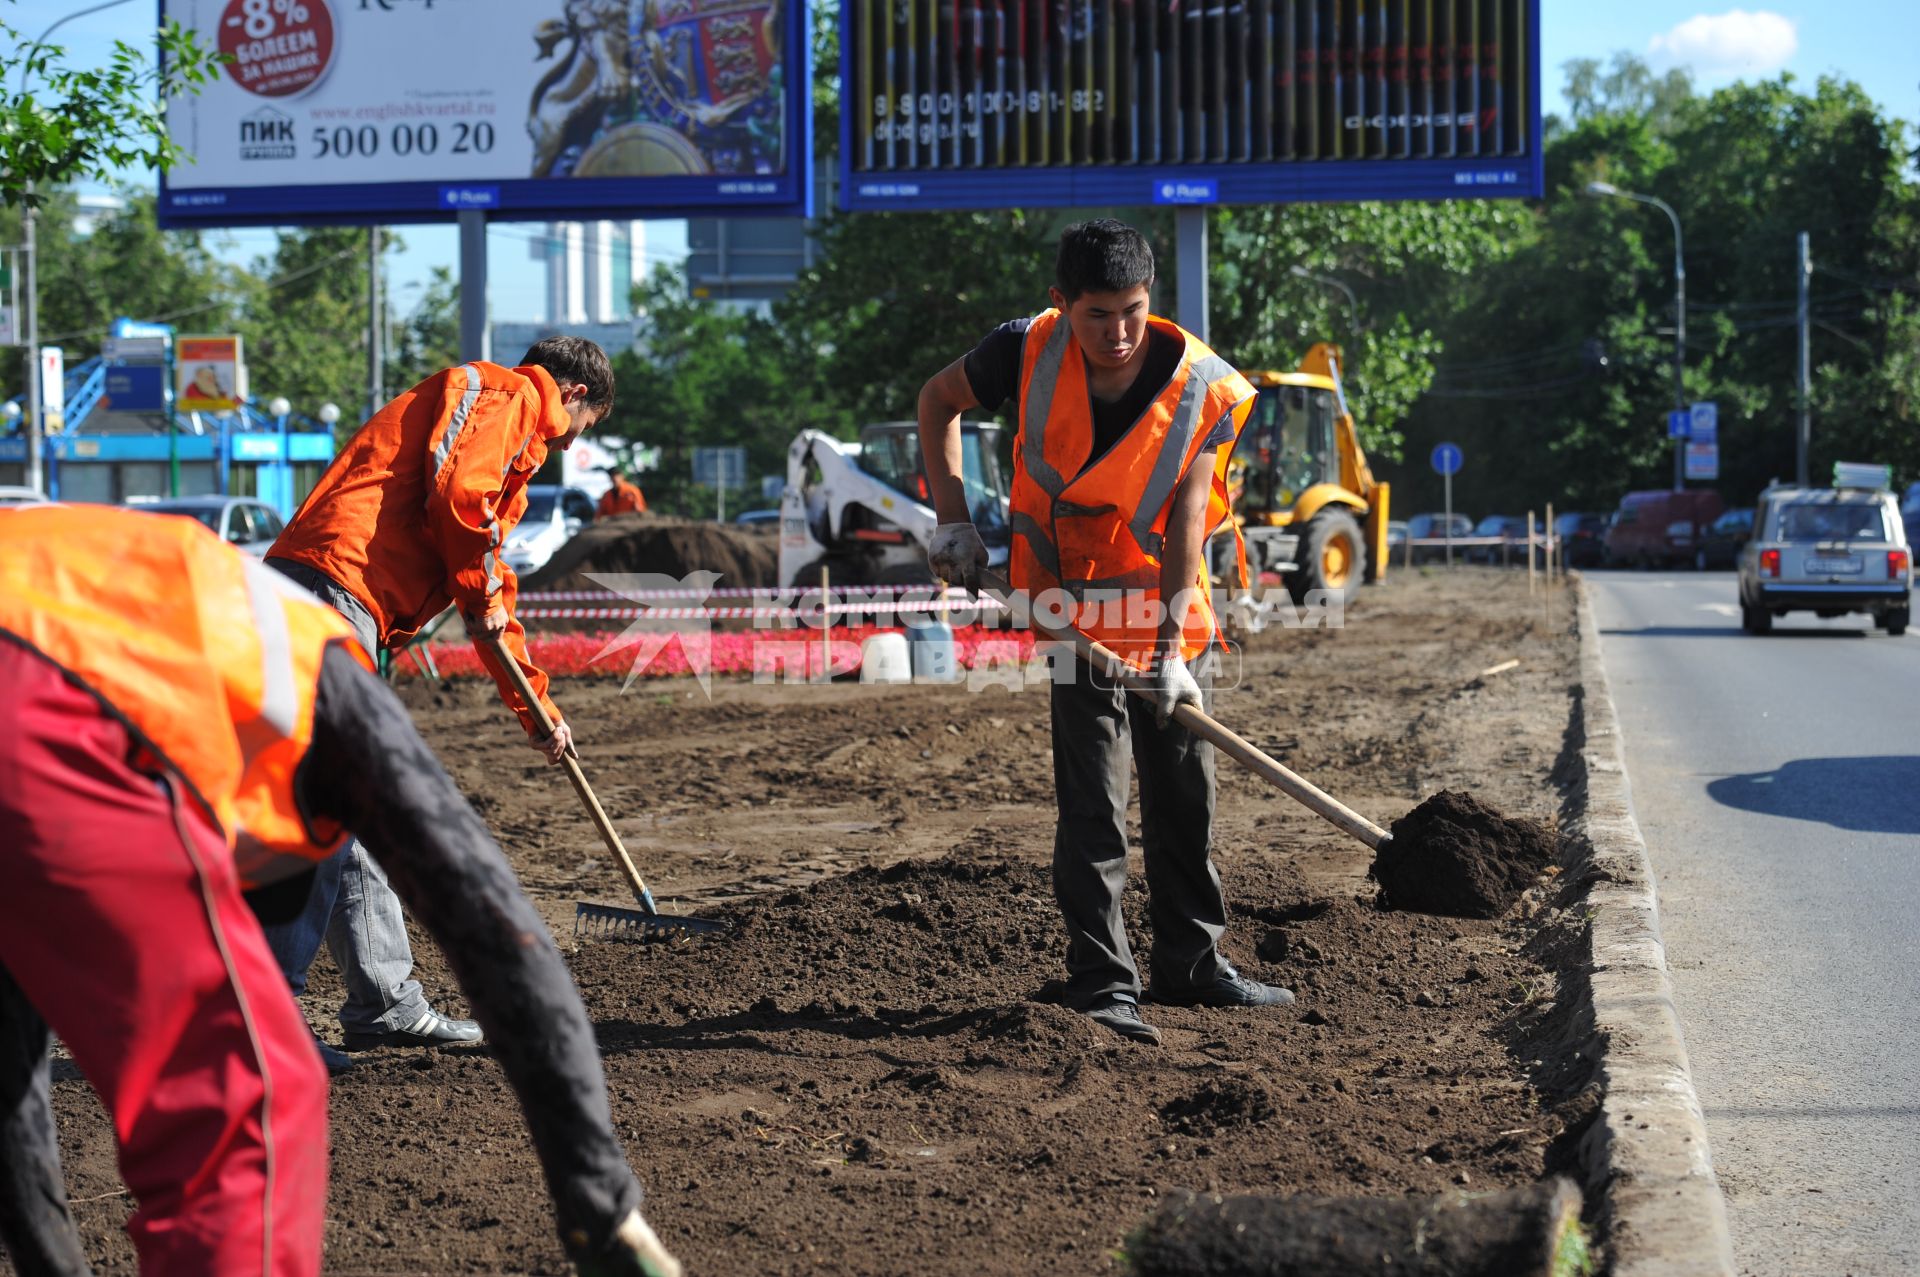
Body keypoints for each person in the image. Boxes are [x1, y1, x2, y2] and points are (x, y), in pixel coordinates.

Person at [0, 505, 680, 1277]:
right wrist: (602, 1204)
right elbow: (499, 933)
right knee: (259, 1097)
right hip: (34, 687)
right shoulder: (318, 680)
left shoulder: (202, 634)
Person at [915, 219, 1293, 1046]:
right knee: (1094, 802)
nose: (1118, 333)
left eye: (1133, 310)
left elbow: (1188, 516)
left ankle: (1192, 964)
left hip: (1163, 607)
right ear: (1062, 303)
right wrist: (954, 521)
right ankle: (1103, 982)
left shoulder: (1198, 385)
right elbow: (936, 401)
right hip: (1067, 609)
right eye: (1098, 314)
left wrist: (1167, 657)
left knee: (1185, 792)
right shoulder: (1023, 349)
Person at [261, 335, 614, 1065]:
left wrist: (538, 712)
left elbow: (483, 583)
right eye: (583, 428)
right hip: (338, 586)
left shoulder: (496, 419)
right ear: (575, 394)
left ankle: (383, 1001)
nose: (570, 441)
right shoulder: (507, 396)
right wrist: (482, 590)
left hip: (337, 590)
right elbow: (462, 503)